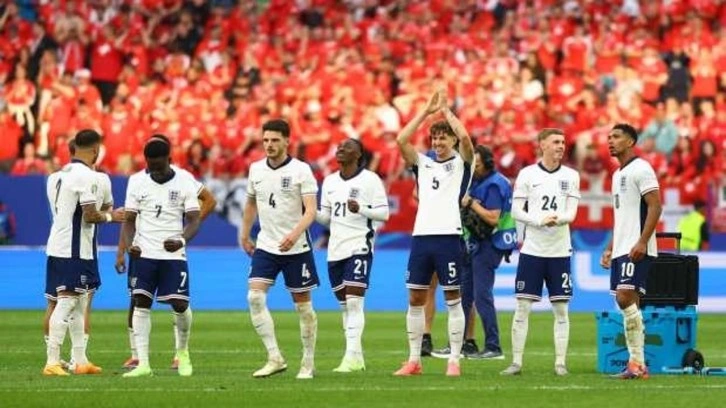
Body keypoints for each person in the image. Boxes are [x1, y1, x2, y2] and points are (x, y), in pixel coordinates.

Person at [116, 134, 217, 370]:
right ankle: (141, 361)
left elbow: (198, 214)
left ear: (169, 159)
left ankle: (182, 352)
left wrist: (181, 239)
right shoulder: (136, 181)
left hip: (172, 254)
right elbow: (129, 220)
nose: (155, 171)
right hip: (143, 252)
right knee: (139, 301)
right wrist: (126, 248)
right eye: (150, 166)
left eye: (159, 166)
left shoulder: (184, 179)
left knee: (179, 303)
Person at [393, 89, 474, 377]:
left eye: (443, 138)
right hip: (422, 238)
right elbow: (401, 140)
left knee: (453, 298)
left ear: (452, 140)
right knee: (416, 298)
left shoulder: (462, 163)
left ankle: (454, 360)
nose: (438, 143)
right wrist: (426, 112)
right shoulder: (423, 163)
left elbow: (466, 139)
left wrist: (446, 112)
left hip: (449, 237)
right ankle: (414, 360)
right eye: (434, 138)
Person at [241, 119, 319, 380]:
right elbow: (251, 203)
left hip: (297, 248)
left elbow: (311, 210)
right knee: (254, 297)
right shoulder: (255, 169)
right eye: (265, 140)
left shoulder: (301, 170)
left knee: (303, 307)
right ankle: (275, 357)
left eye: (275, 140)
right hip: (266, 245)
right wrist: (244, 233)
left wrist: (294, 234)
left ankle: (308, 362)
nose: (269, 145)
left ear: (287, 141)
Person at [42, 129, 125, 376]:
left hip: (58, 245)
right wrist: (112, 216)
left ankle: (80, 360)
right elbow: (91, 215)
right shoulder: (87, 177)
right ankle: (52, 362)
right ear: (96, 150)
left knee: (79, 303)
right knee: (68, 302)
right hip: (75, 250)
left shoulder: (55, 176)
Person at [501, 128, 581, 376]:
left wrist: (557, 219)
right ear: (542, 145)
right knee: (523, 307)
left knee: (561, 310)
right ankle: (516, 362)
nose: (561, 146)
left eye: (563, 142)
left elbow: (572, 213)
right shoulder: (527, 174)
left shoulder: (571, 176)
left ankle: (560, 363)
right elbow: (516, 211)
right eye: (556, 142)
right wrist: (538, 221)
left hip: (560, 251)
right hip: (533, 251)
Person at [317, 138, 389, 372]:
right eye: (339, 146)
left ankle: (350, 357)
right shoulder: (329, 181)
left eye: (347, 147)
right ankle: (357, 358)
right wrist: (307, 210)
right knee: (345, 306)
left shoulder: (371, 180)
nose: (340, 148)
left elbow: (384, 214)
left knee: (355, 302)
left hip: (360, 246)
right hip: (335, 249)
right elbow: (326, 218)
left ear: (358, 155)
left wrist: (362, 209)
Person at [600, 123, 662, 380]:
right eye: (608, 137)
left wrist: (642, 242)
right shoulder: (617, 175)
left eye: (616, 137)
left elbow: (655, 206)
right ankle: (636, 364)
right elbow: (621, 217)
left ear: (630, 142)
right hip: (621, 247)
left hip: (636, 247)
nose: (610, 141)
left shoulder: (642, 168)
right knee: (627, 301)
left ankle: (637, 363)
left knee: (624, 297)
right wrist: (610, 247)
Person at [461, 145, 518, 360]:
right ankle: (460, 343)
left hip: (490, 243)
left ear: (487, 164)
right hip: (478, 242)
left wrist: (471, 203)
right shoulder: (482, 180)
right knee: (466, 294)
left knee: (481, 295)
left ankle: (493, 346)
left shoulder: (493, 184)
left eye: (477, 164)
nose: (473, 168)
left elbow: (493, 218)